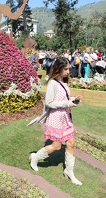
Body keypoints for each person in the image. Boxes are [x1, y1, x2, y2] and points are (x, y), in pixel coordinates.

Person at [29, 57, 82, 185]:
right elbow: (49, 103)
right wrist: (67, 103)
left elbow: (65, 97)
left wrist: (74, 99)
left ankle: (69, 171)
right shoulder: (52, 83)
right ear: (58, 69)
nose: (68, 72)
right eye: (66, 69)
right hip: (56, 118)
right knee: (56, 146)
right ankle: (35, 158)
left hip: (66, 117)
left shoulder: (64, 82)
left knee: (70, 143)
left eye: (68, 69)